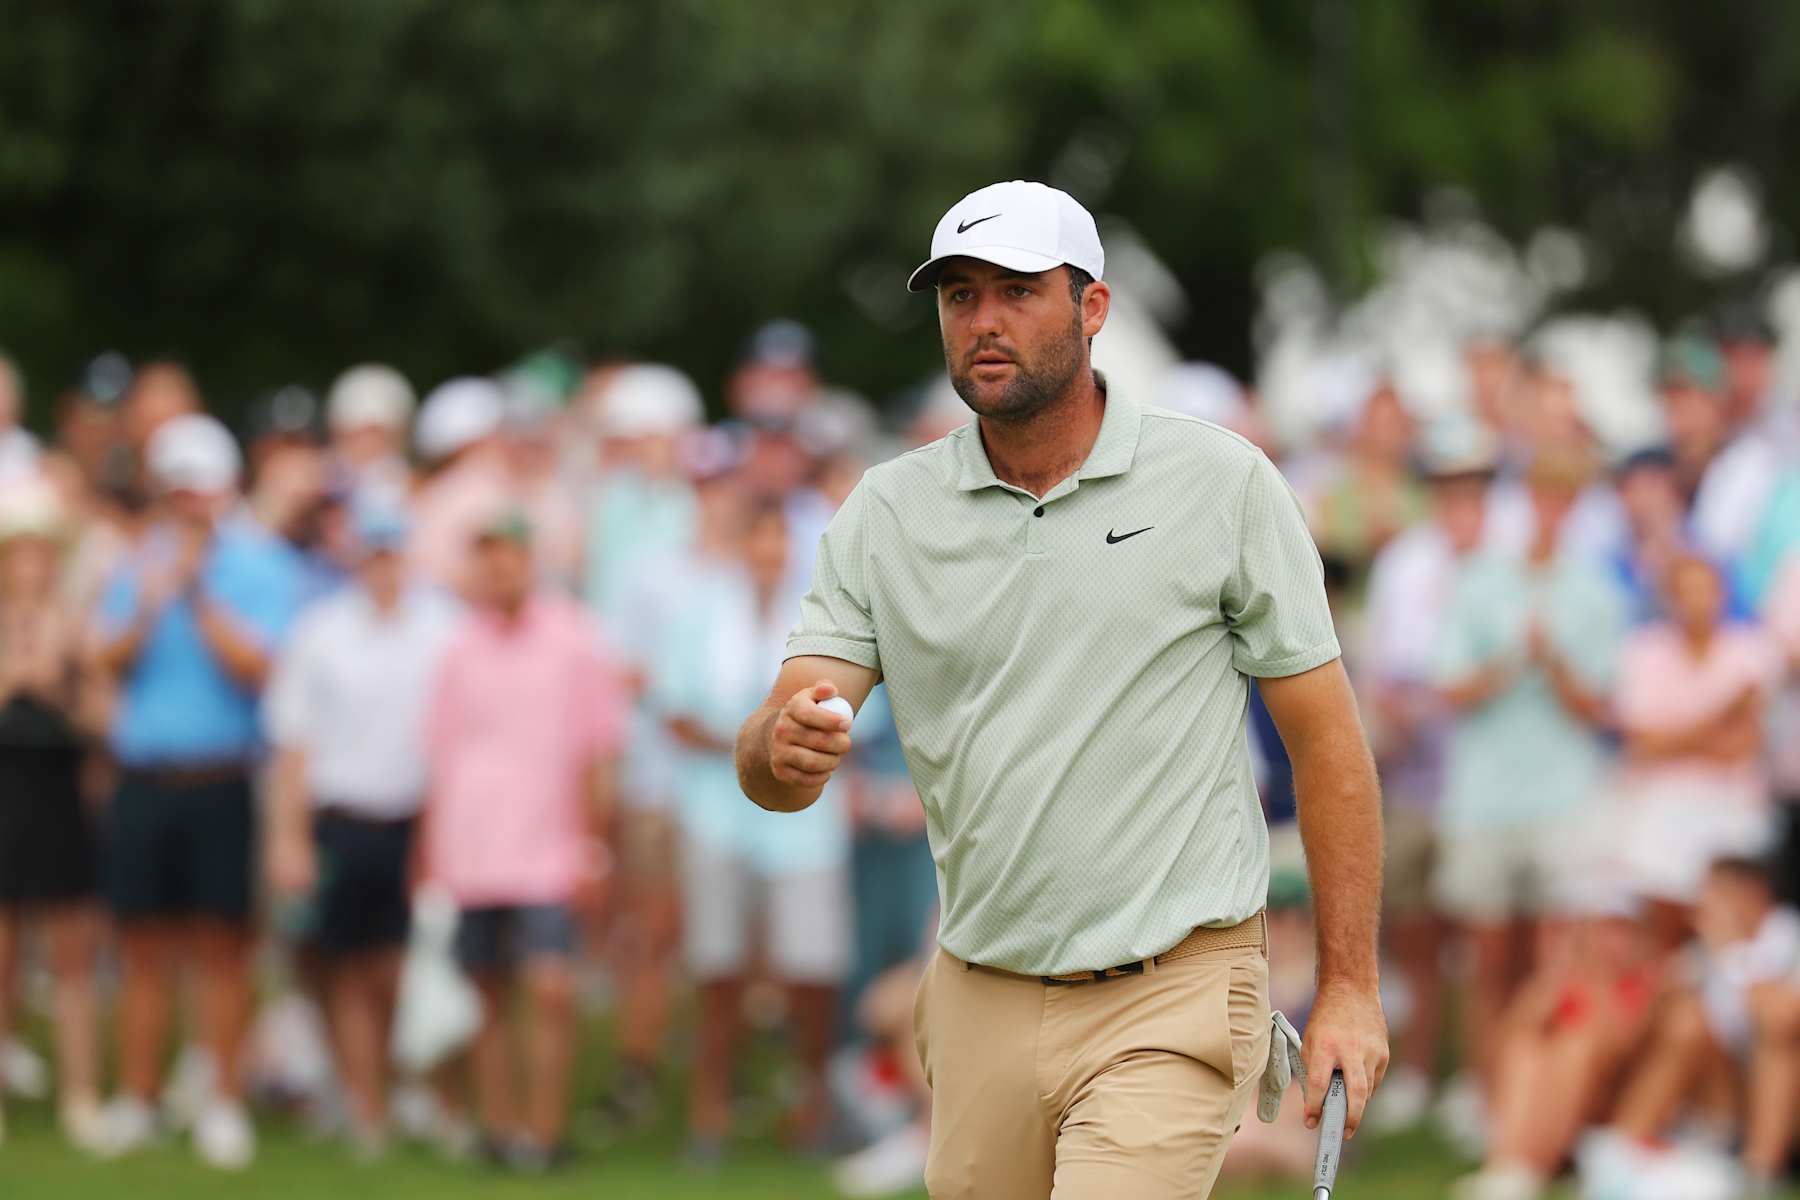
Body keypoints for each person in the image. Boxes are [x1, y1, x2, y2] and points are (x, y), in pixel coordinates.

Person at [736, 180, 1388, 1198]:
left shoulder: (1223, 483)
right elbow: (782, 738)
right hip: (980, 986)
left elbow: (1328, 744)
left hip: (1172, 990)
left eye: (1016, 292)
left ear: (1092, 308)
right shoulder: (887, 510)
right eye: (959, 297)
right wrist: (780, 750)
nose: (983, 321)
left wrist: (1349, 984)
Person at [91, 413, 307, 1168]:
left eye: (197, 489)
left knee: (223, 949)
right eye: (176, 489)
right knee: (143, 947)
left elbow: (260, 667)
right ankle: (140, 1099)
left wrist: (199, 595)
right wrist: (154, 599)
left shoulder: (262, 565)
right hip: (146, 778)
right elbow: (107, 658)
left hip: (223, 777)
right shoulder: (136, 564)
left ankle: (222, 1101)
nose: (186, 503)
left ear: (223, 491)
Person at [420, 508, 625, 1171]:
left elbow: (598, 753)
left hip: (550, 849)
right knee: (485, 993)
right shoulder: (458, 646)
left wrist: (595, 848)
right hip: (473, 850)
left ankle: (545, 1130)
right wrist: (430, 852)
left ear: (528, 560)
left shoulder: (574, 638)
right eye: (486, 558)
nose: (497, 570)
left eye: (506, 555)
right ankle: (500, 1128)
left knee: (550, 989)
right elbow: (441, 756)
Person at [1431, 452, 1626, 1119]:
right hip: (1484, 801)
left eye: (1562, 498)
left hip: (1563, 801)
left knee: (1553, 969)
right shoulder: (1478, 581)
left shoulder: (1598, 591)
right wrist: (1516, 658)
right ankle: (1489, 1106)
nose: (1550, 510)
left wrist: (1554, 661)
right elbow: (1452, 689)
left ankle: (1541, 1108)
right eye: (1541, 495)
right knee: (1488, 966)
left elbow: (1600, 708)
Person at [656, 496, 851, 1162]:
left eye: (778, 538)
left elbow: (853, 714)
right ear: (743, 545)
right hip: (717, 817)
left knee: (812, 972)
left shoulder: (826, 619)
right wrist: (764, 748)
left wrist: (764, 745)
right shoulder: (701, 614)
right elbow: (675, 712)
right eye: (758, 536)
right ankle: (708, 1115)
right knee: (718, 970)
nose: (768, 551)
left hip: (807, 819)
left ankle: (811, 1109)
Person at [263, 503, 460, 1155]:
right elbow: (294, 744)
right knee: (347, 966)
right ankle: (367, 1107)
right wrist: (288, 837)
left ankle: (415, 1090)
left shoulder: (442, 628)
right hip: (343, 819)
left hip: (420, 819)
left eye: (392, 550)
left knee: (409, 967)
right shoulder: (320, 632)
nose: (383, 564)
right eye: (372, 551)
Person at [1359, 418, 1495, 1133]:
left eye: (1469, 482)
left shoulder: (1504, 557)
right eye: (1447, 483)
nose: (1457, 495)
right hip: (1415, 773)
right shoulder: (1405, 563)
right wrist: (1402, 708)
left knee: (1479, 933)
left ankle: (1474, 1077)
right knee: (1413, 927)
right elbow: (1383, 665)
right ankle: (1415, 1069)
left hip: (1485, 776)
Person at [0, 481, 104, 1151]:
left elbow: (104, 718)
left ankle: (82, 1096)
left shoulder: (77, 623)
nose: (29, 566)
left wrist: (63, 679)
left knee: (73, 955)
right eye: (19, 554)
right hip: (4, 797)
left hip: (59, 798)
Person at [1612, 553, 1777, 943]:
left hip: (1731, 807)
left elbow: (1742, 747)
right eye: (1686, 590)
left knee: (1732, 930)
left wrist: (1675, 739)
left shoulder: (1752, 651)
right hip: (1661, 809)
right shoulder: (1643, 650)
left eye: (1705, 589)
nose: (1697, 600)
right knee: (1662, 931)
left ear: (1721, 594)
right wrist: (1724, 712)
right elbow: (1643, 744)